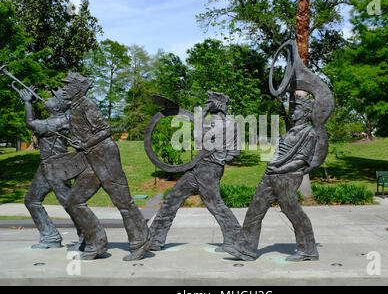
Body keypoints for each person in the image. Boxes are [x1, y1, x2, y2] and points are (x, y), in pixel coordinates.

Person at [60, 72, 150, 261]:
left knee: (123, 202)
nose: (64, 88)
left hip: (105, 156)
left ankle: (140, 242)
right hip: (91, 159)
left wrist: (86, 143)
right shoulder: (74, 107)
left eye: (68, 85)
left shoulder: (87, 104)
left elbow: (105, 130)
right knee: (73, 202)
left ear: (78, 88)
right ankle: (96, 243)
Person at [224, 95, 320, 262]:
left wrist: (280, 167)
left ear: (305, 113)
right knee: (255, 208)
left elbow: (301, 160)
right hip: (272, 175)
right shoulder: (292, 131)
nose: (293, 112)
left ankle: (308, 250)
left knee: (293, 212)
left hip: (288, 177)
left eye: (296, 109)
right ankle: (246, 248)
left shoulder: (309, 133)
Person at [149, 92, 242, 252]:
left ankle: (236, 241)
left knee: (215, 204)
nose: (206, 105)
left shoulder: (226, 124)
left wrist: (218, 158)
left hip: (210, 169)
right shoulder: (211, 123)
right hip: (198, 168)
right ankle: (154, 240)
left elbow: (202, 140)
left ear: (217, 105)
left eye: (209, 103)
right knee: (172, 198)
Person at [18, 89, 85, 249]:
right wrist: (30, 103)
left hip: (57, 167)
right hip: (46, 167)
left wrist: (27, 103)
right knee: (31, 200)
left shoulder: (57, 122)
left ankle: (87, 237)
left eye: (53, 98)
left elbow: (31, 123)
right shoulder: (58, 120)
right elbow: (35, 124)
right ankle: (50, 237)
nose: (47, 98)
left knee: (70, 203)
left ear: (56, 108)